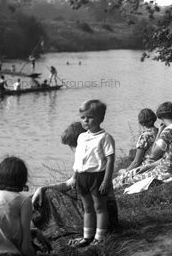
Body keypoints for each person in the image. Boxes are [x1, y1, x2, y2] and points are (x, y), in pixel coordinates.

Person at [31, 122, 118, 239]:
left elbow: (69, 184)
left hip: (98, 221)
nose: (72, 150)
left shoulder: (86, 164)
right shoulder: (97, 161)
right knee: (50, 192)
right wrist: (42, 188)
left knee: (48, 194)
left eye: (72, 146)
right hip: (111, 219)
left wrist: (44, 189)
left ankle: (38, 227)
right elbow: (70, 183)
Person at [70, 99, 115, 247]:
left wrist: (106, 180)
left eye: (90, 117)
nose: (85, 120)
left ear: (100, 118)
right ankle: (87, 236)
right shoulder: (81, 137)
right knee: (87, 208)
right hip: (82, 176)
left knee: (99, 207)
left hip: (97, 176)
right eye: (83, 117)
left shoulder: (105, 137)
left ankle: (100, 237)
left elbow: (110, 159)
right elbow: (78, 160)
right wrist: (75, 177)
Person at [116, 102, 172, 187]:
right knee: (131, 174)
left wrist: (159, 133)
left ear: (160, 116)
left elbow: (153, 154)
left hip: (166, 171)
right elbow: (169, 158)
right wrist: (147, 166)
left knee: (123, 179)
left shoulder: (167, 132)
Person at [121, 108, 159, 173]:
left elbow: (136, 162)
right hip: (158, 164)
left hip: (147, 167)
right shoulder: (160, 132)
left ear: (142, 123)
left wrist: (126, 171)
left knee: (119, 173)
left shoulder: (144, 136)